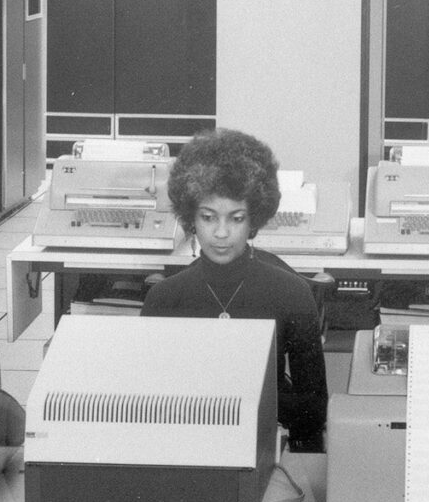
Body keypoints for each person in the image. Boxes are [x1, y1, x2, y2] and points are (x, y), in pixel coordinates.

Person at [140, 127, 329, 453]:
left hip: (267, 447)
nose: (221, 233)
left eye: (236, 218)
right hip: (185, 449)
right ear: (191, 218)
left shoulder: (292, 294)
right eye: (208, 217)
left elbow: (313, 412)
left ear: (254, 218)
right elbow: (145, 408)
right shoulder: (164, 298)